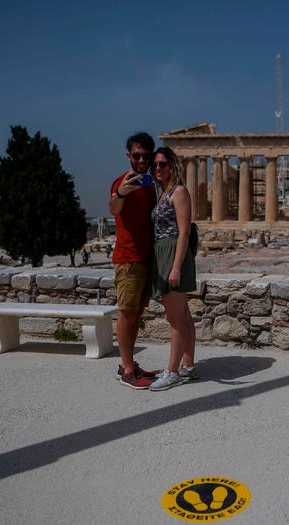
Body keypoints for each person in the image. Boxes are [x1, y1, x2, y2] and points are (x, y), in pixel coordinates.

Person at [109, 132, 159, 389]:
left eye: (145, 156)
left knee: (137, 313)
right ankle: (127, 370)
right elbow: (113, 208)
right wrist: (121, 193)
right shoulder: (122, 183)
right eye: (136, 155)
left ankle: (127, 364)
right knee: (127, 313)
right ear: (128, 155)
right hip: (128, 258)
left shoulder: (150, 184)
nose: (141, 160)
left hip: (145, 258)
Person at [148, 146, 198, 391]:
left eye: (163, 164)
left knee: (175, 319)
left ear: (172, 166)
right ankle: (187, 365)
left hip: (173, 255)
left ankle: (172, 372)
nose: (158, 168)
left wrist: (176, 266)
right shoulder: (162, 193)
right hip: (163, 253)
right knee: (184, 315)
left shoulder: (178, 191)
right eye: (155, 164)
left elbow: (184, 231)